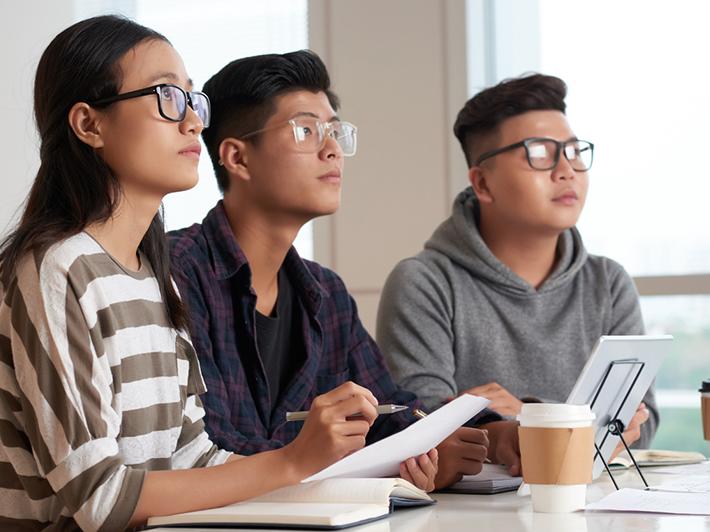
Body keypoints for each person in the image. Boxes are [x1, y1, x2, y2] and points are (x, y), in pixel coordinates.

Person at [0, 17, 436, 531]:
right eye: (167, 97)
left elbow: (195, 458)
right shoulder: (56, 268)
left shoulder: (153, 274)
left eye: (192, 100)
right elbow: (100, 497)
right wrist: (294, 460)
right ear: (89, 124)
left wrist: (351, 480)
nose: (192, 122)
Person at [168, 50, 521, 490]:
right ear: (238, 159)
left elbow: (391, 411)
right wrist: (370, 457)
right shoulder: (177, 273)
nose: (332, 149)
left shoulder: (325, 292)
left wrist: (492, 433)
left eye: (335, 131)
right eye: (306, 130)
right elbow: (212, 447)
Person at [376, 73, 657, 452]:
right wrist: (580, 423)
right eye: (539, 153)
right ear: (483, 183)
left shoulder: (608, 282)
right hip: (470, 510)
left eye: (573, 151)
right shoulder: (424, 282)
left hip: (592, 502)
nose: (566, 170)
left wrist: (528, 415)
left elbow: (643, 420)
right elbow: (418, 422)